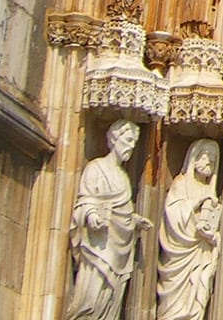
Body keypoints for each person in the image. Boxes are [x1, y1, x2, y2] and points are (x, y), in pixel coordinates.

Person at [64, 120, 150, 320]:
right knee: (90, 297)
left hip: (117, 247)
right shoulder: (96, 167)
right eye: (128, 140)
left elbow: (123, 211)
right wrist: (91, 215)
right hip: (97, 247)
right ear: (114, 139)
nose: (130, 146)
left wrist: (135, 221)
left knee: (111, 299)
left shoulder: (124, 177)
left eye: (134, 143)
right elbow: (85, 200)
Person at [155, 139, 223, 320]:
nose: (210, 162)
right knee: (174, 306)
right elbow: (172, 214)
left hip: (201, 255)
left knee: (197, 297)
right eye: (207, 156)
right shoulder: (182, 182)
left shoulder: (211, 192)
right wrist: (197, 202)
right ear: (195, 158)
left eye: (214, 159)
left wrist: (213, 238)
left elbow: (212, 226)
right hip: (180, 252)